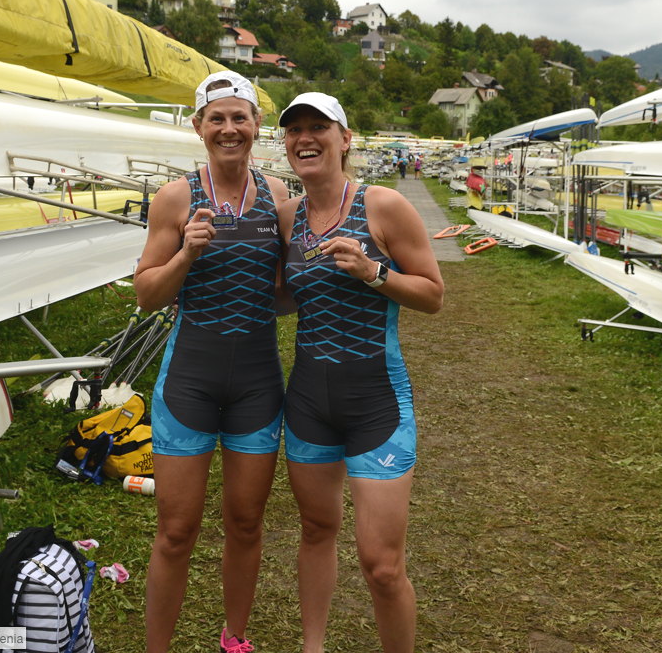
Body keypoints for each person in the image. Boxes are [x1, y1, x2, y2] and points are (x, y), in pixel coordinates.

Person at [276, 93, 444, 653]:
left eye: (318, 127)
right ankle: (312, 647)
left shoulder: (384, 206)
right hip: (308, 406)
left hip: (377, 403)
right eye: (294, 129)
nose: (306, 138)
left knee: (382, 566)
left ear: (344, 138)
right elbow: (281, 295)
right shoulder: (287, 217)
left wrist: (374, 273)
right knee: (317, 532)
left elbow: (432, 295)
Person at [133, 71, 290, 653]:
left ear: (255, 127)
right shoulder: (176, 198)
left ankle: (235, 639)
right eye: (216, 118)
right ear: (199, 127)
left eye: (239, 118)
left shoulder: (278, 198)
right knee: (177, 531)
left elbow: (284, 292)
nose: (229, 129)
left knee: (246, 524)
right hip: (190, 382)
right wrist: (186, 256)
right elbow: (146, 293)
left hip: (256, 383)